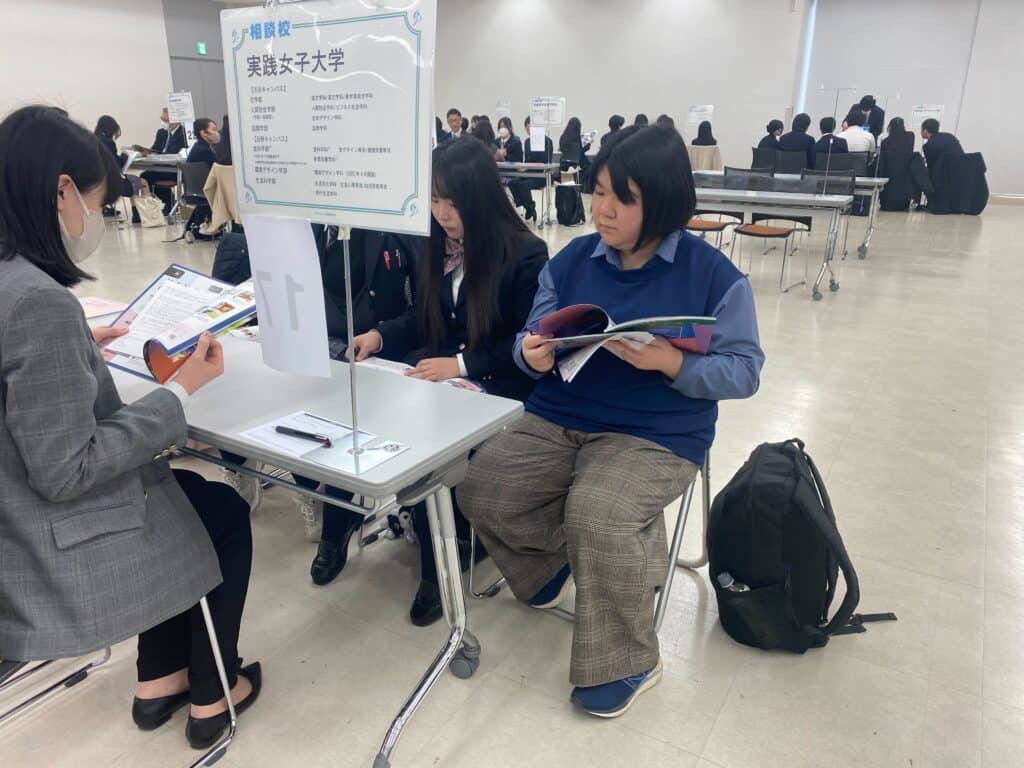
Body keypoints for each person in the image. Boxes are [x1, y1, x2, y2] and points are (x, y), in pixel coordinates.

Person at [457, 124, 764, 719]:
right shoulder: (573, 260)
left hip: (658, 432)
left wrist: (671, 362)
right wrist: (530, 352)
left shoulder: (713, 277)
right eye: (598, 192)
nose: (602, 210)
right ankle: (547, 569)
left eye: (623, 199)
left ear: (663, 203)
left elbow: (745, 371)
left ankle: (629, 659)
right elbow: (532, 336)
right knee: (481, 485)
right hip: (560, 412)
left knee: (597, 513)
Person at [0, 105, 260, 750]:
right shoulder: (38, 303)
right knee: (221, 511)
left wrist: (76, 349)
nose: (96, 217)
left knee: (184, 494)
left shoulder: (15, 287)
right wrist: (179, 391)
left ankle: (159, 679)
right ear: (62, 191)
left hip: (16, 513)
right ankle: (213, 691)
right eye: (96, 202)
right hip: (44, 544)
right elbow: (69, 471)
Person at [347, 138, 549, 626]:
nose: (441, 213)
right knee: (376, 408)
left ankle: (441, 561)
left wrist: (460, 365)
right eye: (434, 200)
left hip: (502, 384)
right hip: (442, 376)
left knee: (433, 441)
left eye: (452, 202)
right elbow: (422, 318)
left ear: (480, 197)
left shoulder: (525, 253)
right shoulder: (435, 246)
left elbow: (527, 344)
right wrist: (379, 335)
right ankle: (375, 527)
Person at [141, 108, 187, 215]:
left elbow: (176, 153)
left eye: (166, 120)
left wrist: (160, 155)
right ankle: (167, 202)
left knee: (148, 177)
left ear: (176, 121)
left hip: (175, 169)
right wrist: (147, 152)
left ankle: (168, 203)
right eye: (162, 120)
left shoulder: (183, 134)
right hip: (160, 167)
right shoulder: (161, 133)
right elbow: (155, 149)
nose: (163, 123)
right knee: (145, 175)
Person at [93, 115, 143, 213]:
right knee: (138, 181)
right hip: (110, 183)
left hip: (96, 182)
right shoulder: (108, 142)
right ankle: (137, 213)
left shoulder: (93, 139)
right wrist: (125, 156)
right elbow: (116, 164)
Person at [512, 115, 554, 222]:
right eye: (526, 127)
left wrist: (531, 165)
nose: (528, 129)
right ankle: (529, 207)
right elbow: (527, 161)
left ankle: (530, 207)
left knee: (523, 185)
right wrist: (523, 167)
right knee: (513, 182)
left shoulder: (547, 141)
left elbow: (546, 162)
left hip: (541, 175)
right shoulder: (527, 142)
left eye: (530, 126)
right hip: (529, 173)